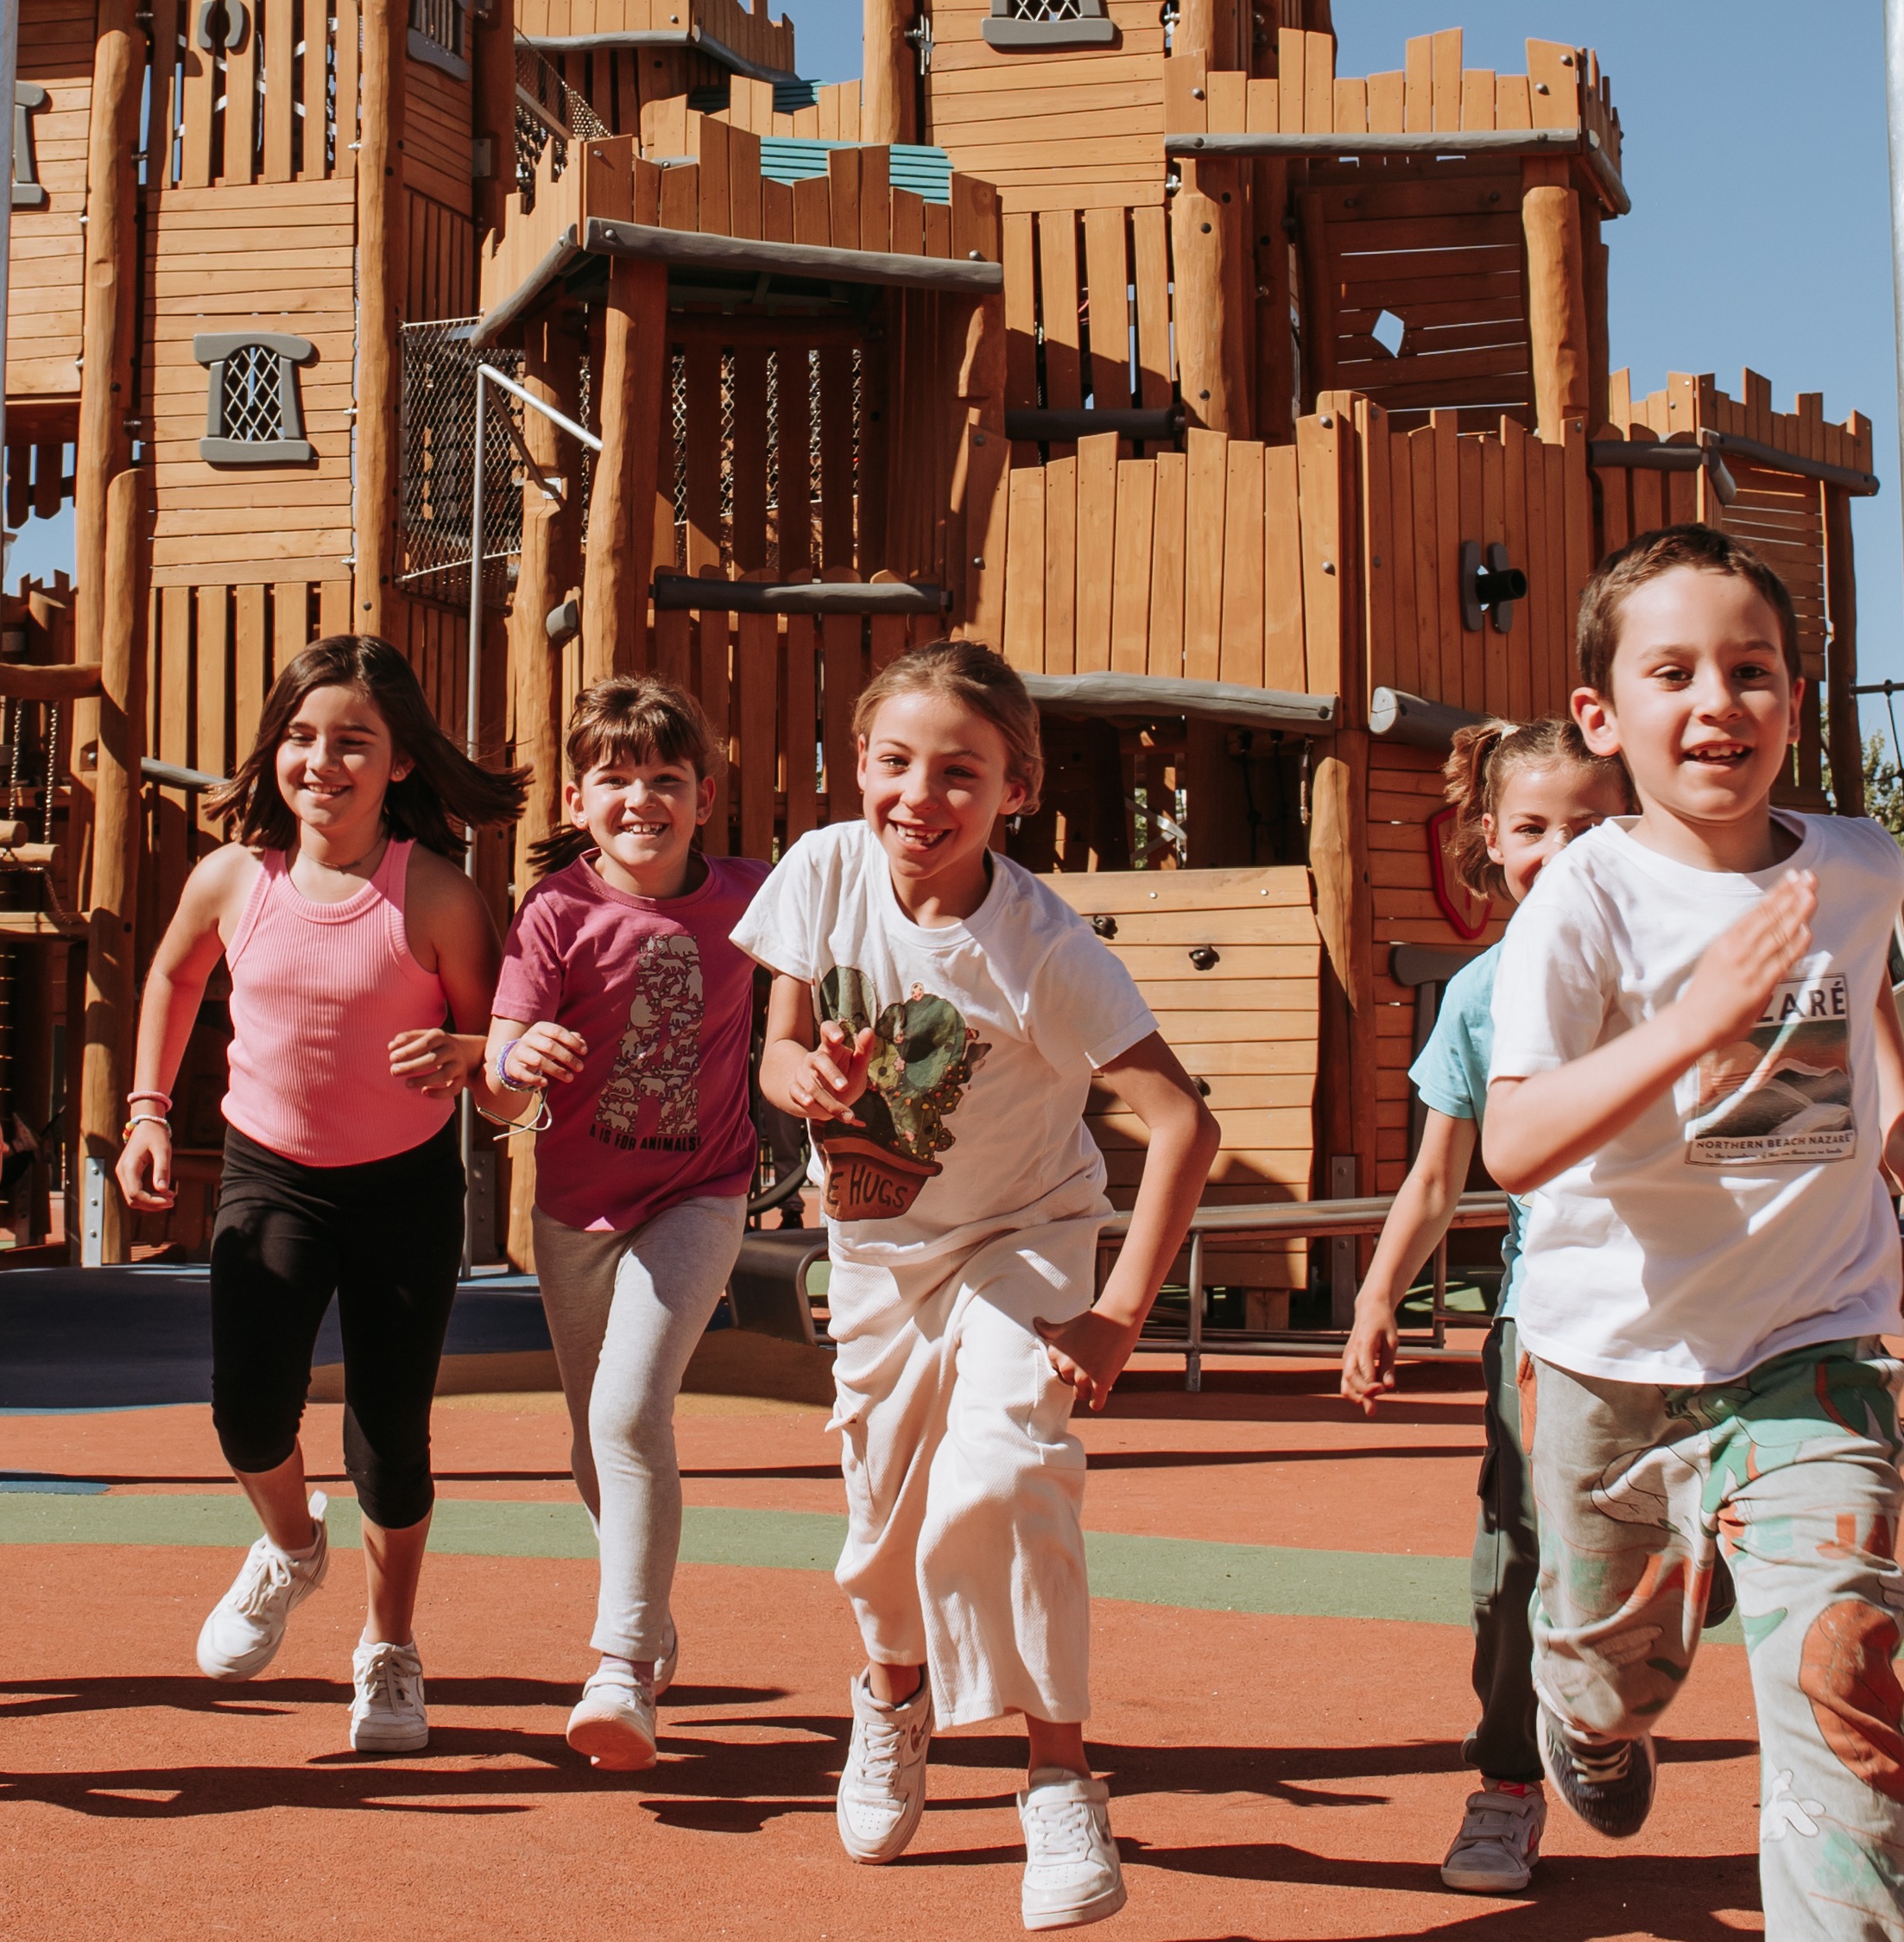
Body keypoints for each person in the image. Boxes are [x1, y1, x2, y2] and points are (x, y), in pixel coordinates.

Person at [1476, 525, 1904, 1940]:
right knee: (1612, 1659)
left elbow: (1858, 989)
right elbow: (1511, 1140)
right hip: (1607, 1357)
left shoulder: (1859, 863)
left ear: (1795, 700)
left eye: (1751, 671)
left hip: (1807, 1338)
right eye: (1673, 671)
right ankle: (1592, 1705)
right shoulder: (1582, 899)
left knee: (1840, 1647)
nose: (1717, 703)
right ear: (1602, 714)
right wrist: (1692, 1022)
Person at [741, 638, 1217, 1933]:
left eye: (961, 771)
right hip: (880, 1257)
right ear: (858, 765)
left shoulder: (1044, 949)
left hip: (1024, 1238)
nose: (920, 795)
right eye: (895, 763)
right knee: (880, 1527)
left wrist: (1118, 1313)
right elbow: (782, 1049)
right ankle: (891, 1698)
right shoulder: (823, 872)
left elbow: (1182, 1125)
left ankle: (1058, 1776)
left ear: (1016, 789)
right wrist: (804, 1084)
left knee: (1008, 1474)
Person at [117, 636, 522, 1755]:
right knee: (247, 1413)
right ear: (275, 749)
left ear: (398, 763)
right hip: (269, 1177)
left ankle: (389, 1648)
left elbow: (498, 1060)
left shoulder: (435, 896)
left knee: (389, 1440)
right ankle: (292, 1547)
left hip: (402, 1194)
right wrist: (148, 1110)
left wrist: (469, 1053)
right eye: (302, 737)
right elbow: (173, 973)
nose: (322, 761)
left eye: (353, 741)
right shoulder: (234, 877)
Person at [1333, 715, 1625, 1893]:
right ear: (1490, 843)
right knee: (1513, 1558)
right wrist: (1373, 1302)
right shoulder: (1477, 994)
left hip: (1690, 1315)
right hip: (1542, 1321)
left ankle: (1617, 1698)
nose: (1561, 850)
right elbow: (1432, 1177)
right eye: (1534, 828)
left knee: (1674, 1556)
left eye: (1594, 824)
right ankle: (1507, 1783)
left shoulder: (1683, 963)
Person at [477, 674, 768, 1773]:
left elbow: (844, 948)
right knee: (595, 1428)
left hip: (699, 1191)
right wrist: (515, 1062)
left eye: (665, 779)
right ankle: (646, 1605)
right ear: (576, 796)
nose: (640, 798)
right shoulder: (555, 910)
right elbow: (502, 1083)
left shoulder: (753, 893)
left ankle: (620, 1660)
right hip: (574, 1207)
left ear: (702, 796)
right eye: (615, 779)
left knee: (632, 1404)